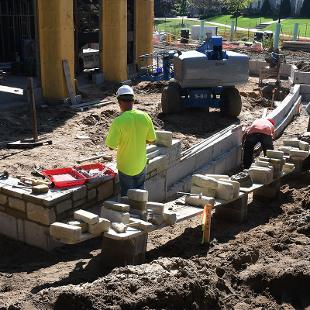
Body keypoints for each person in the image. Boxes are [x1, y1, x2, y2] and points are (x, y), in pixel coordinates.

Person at [105, 85, 156, 196]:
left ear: (119, 102)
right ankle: (141, 211)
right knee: (140, 195)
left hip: (125, 166)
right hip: (140, 164)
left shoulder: (118, 121)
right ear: (133, 101)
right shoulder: (145, 116)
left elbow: (111, 146)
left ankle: (129, 212)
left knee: (127, 196)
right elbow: (152, 140)